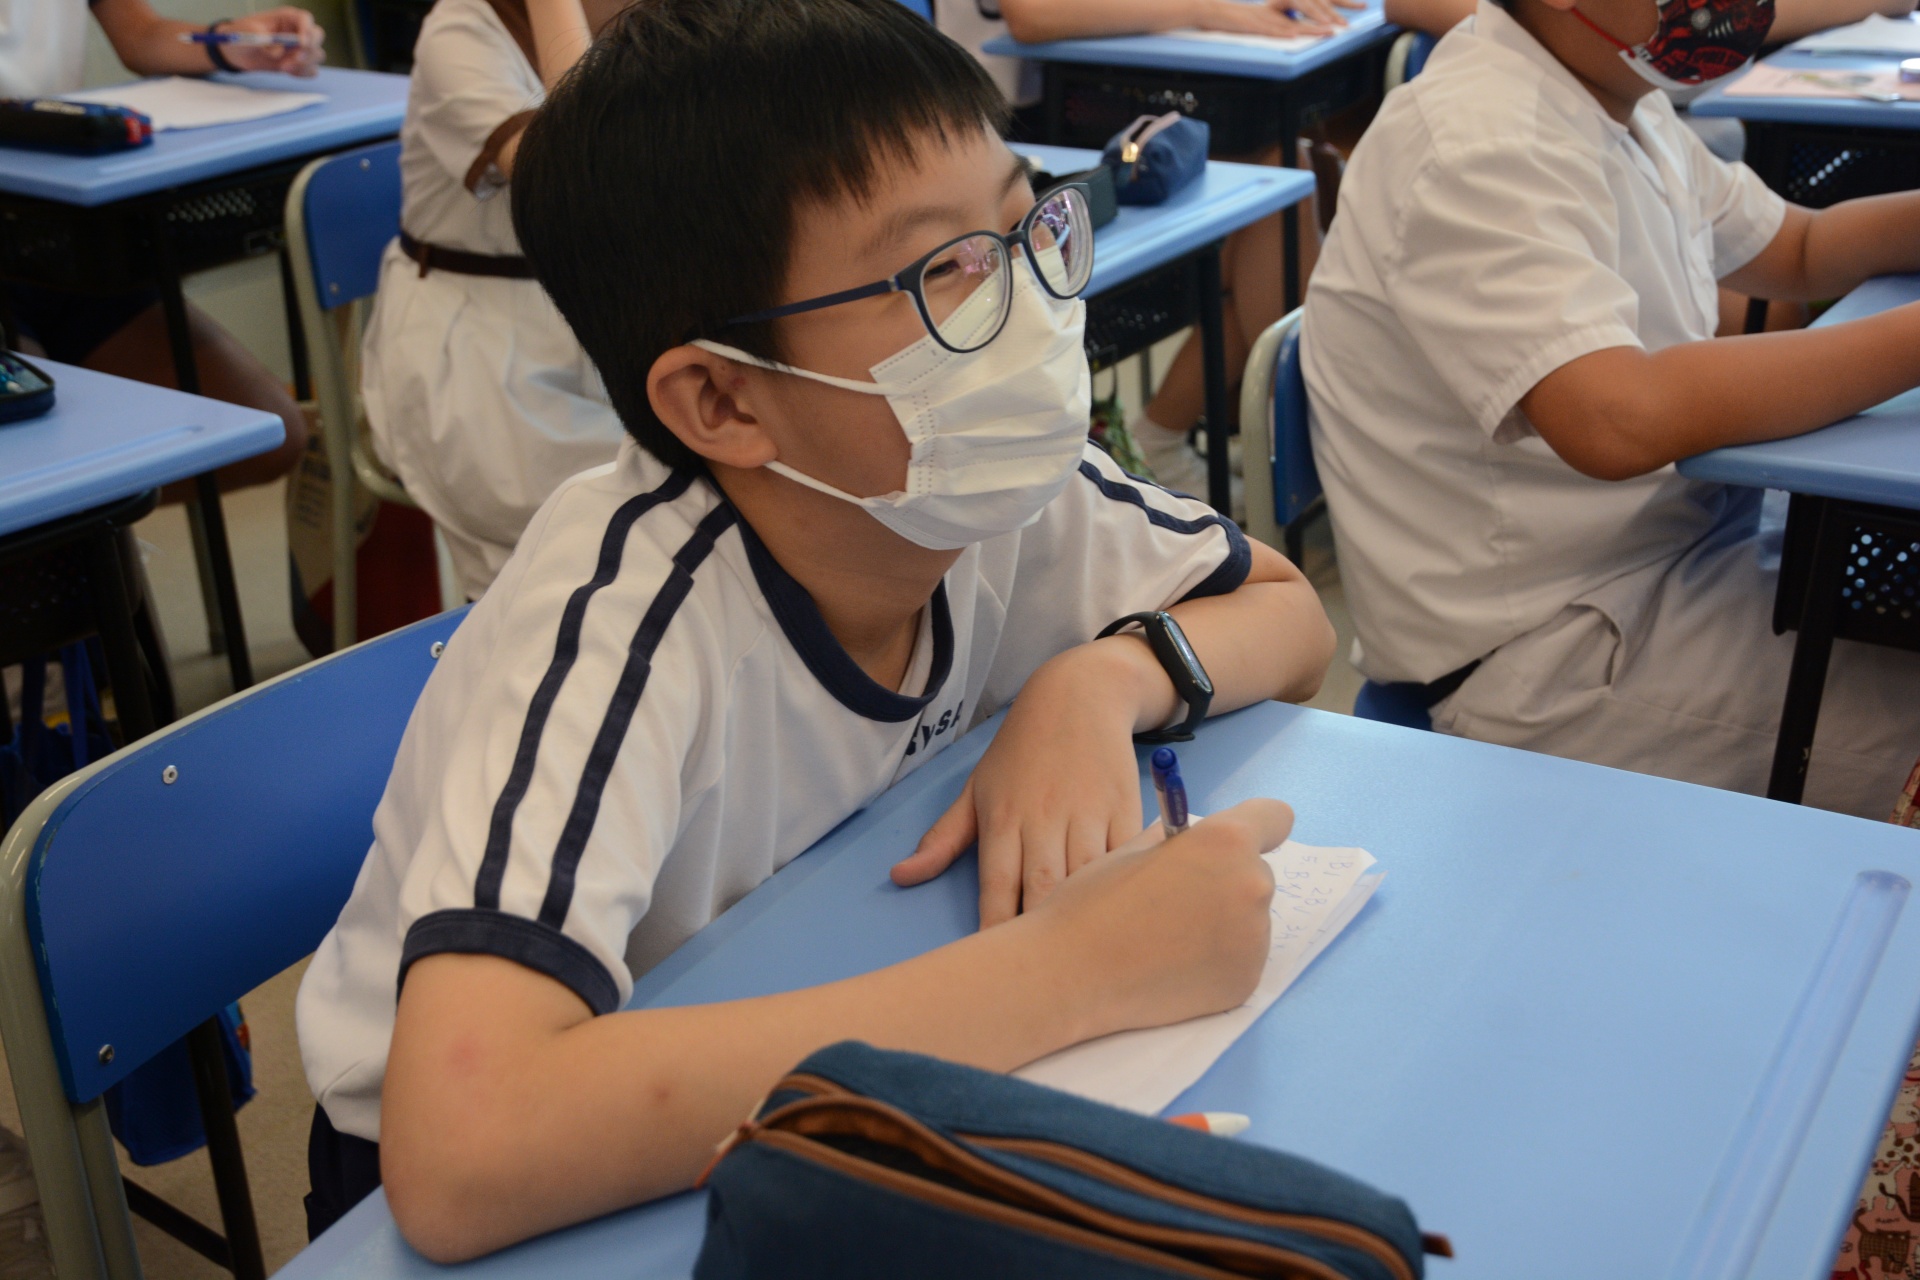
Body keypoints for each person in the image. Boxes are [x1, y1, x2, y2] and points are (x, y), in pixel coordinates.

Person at [295, 0, 1337, 1257]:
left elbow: (1286, 611)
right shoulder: (624, 618)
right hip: (511, 1182)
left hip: (790, 1013)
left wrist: (1100, 681)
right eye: (944, 270)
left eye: (1027, 226)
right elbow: (465, 1148)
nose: (1025, 304)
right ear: (724, 400)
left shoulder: (990, 491)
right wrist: (1078, 969)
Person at [1302, 0, 1920, 818]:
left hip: (1685, 555)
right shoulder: (1476, 142)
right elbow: (1615, 420)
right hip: (1553, 656)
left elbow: (1799, 248)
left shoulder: (1618, 95)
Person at [941, 0, 1360, 503]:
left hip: (1062, 108)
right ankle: (1316, 446)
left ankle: (1228, 442)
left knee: (1277, 185)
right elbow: (1036, 15)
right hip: (1004, 147)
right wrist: (1205, 10)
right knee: (1269, 217)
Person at [358, 0, 628, 600]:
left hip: (597, 326)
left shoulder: (653, 28)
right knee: (585, 559)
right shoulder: (461, 30)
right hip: (483, 354)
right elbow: (582, 184)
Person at [0, 0, 323, 492]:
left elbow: (141, 36)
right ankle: (78, 526)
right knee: (35, 471)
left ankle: (88, 520)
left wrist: (229, 45)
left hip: (58, 235)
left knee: (267, 437)